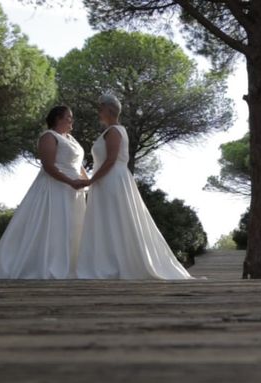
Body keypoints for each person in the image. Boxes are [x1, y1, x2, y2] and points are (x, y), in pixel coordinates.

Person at [76, 94, 192, 279]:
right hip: (107, 179)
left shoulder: (114, 131)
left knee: (115, 219)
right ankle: (107, 261)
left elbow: (111, 160)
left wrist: (91, 180)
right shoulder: (112, 131)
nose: (98, 111)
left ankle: (117, 263)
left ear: (108, 109)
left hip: (112, 179)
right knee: (108, 220)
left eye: (100, 107)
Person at [0, 106, 88, 279]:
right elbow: (48, 166)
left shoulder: (71, 139)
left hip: (74, 191)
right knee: (53, 226)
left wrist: (87, 181)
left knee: (73, 227)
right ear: (57, 119)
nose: (72, 120)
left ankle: (70, 266)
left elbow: (78, 163)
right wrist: (71, 182)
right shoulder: (49, 137)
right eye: (68, 117)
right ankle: (44, 266)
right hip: (55, 188)